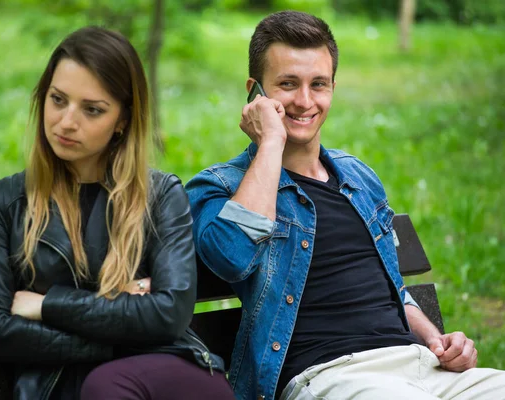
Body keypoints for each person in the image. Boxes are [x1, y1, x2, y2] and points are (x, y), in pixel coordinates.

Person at [186, 10, 505, 400]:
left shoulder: (358, 177)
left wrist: (440, 340)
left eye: (318, 84)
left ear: (332, 88)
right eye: (287, 84)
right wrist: (271, 143)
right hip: (331, 375)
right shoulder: (219, 186)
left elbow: (392, 289)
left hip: (419, 366)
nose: (305, 101)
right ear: (255, 92)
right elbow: (231, 256)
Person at [0, 26, 234, 400]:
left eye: (92, 110)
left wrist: (45, 305)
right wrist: (123, 325)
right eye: (58, 100)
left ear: (123, 120)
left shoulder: (159, 195)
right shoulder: (5, 203)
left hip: (164, 380)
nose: (67, 121)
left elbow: (169, 315)